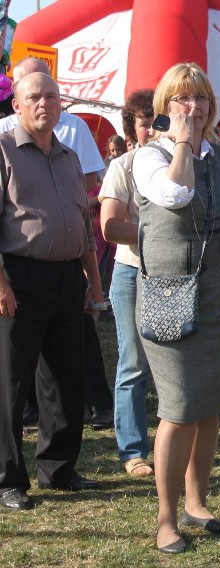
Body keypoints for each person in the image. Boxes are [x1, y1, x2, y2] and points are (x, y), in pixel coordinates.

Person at [132, 63, 220, 553]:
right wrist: (183, 142)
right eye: (183, 100)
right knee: (181, 406)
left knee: (210, 407)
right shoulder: (149, 157)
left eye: (201, 98)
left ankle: (197, 502)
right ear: (166, 108)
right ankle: (166, 520)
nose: (194, 108)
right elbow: (175, 192)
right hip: (169, 297)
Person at [0, 72, 104, 510]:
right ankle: (8, 479)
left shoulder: (68, 157)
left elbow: (83, 224)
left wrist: (93, 282)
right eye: (34, 97)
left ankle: (58, 468)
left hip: (67, 278)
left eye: (52, 96)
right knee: (10, 382)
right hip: (18, 277)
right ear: (17, 106)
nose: (45, 103)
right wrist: (1, 284)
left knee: (66, 378)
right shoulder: (3, 151)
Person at [98, 88, 156, 477]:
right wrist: (158, 235)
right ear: (132, 130)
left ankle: (176, 442)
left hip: (176, 274)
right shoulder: (124, 166)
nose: (153, 130)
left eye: (159, 121)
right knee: (133, 363)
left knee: (175, 365)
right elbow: (109, 226)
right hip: (132, 272)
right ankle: (132, 451)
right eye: (146, 123)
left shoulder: (183, 164)